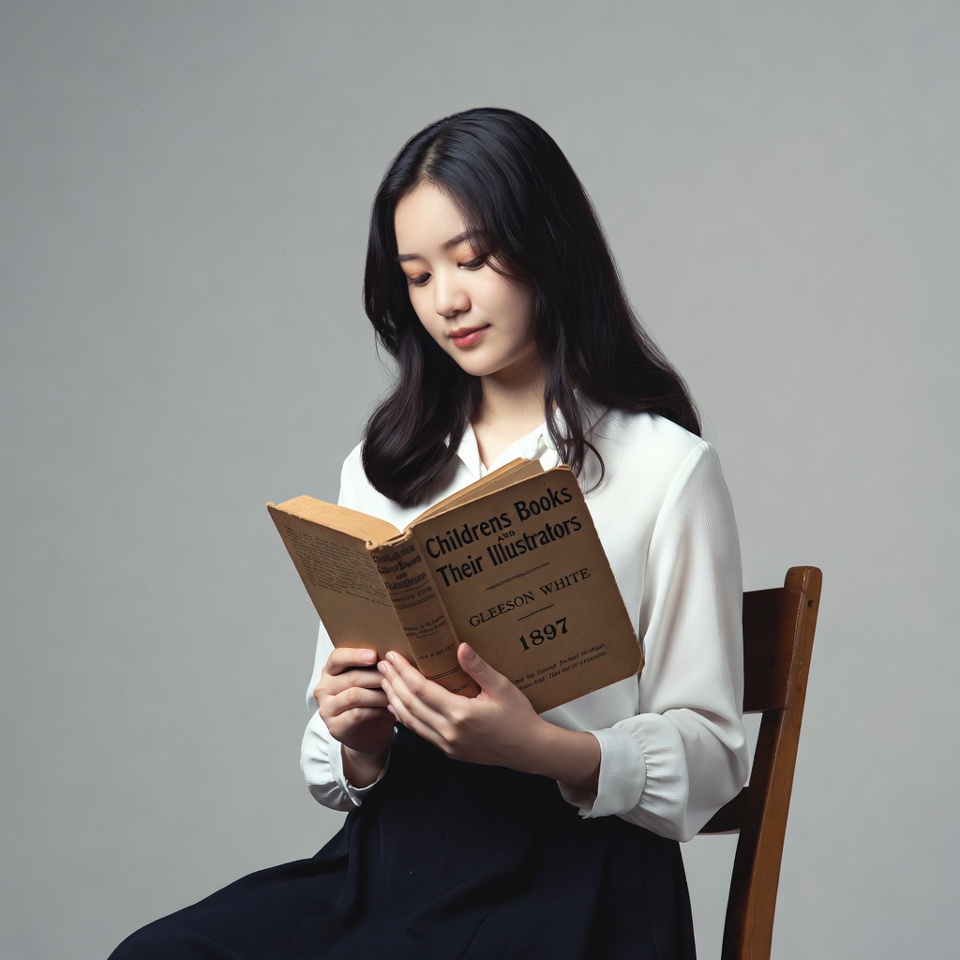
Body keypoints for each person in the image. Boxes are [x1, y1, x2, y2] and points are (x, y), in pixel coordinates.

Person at [111, 107, 748, 959]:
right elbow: (333, 749)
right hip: (395, 866)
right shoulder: (383, 466)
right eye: (416, 275)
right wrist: (359, 740)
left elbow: (712, 755)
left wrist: (545, 748)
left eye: (472, 260)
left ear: (547, 246)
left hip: (577, 873)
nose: (445, 300)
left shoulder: (666, 468)